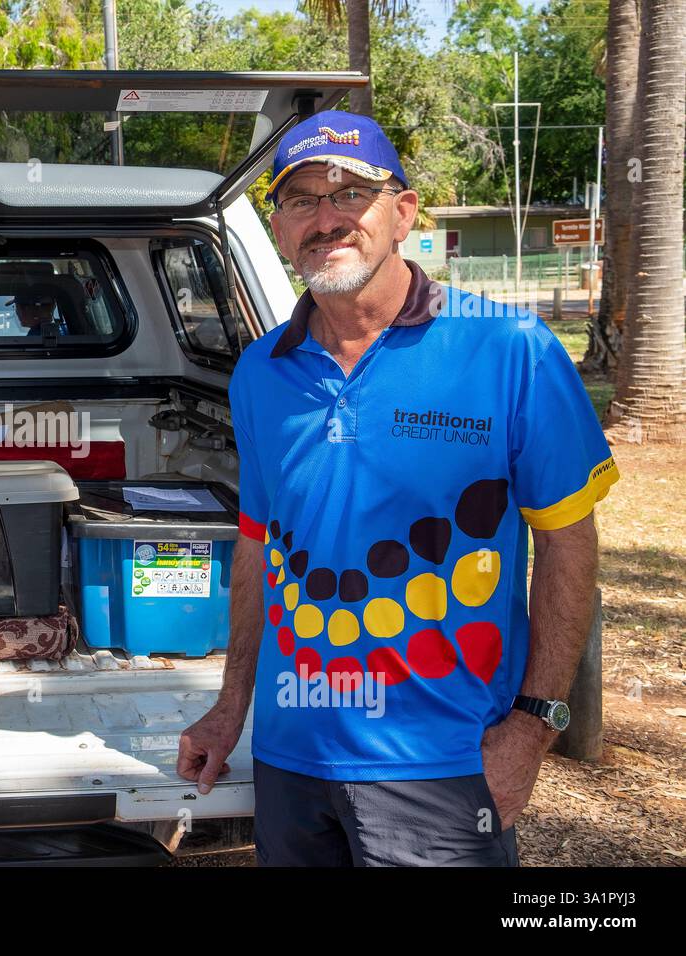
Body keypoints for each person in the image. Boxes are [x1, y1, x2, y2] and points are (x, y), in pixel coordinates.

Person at [176, 109, 619, 866]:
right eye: (302, 199)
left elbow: (568, 542)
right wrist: (230, 709)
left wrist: (534, 725)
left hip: (442, 765)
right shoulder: (260, 371)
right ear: (279, 226)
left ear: (404, 212)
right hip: (292, 759)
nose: (326, 218)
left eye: (350, 193)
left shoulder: (510, 350)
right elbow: (258, 545)